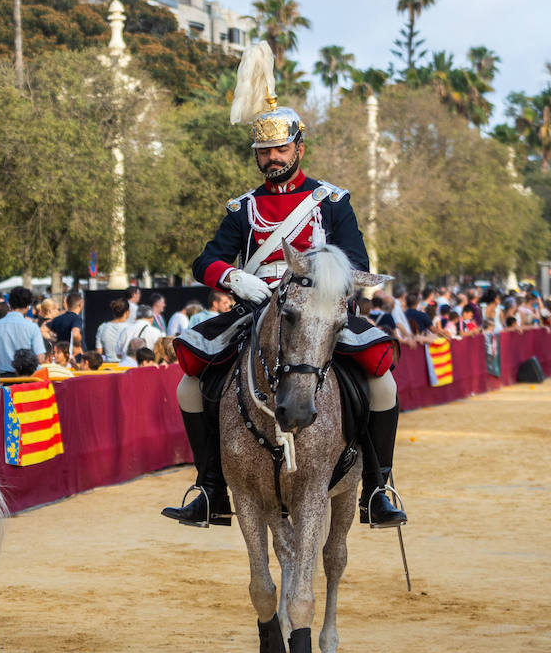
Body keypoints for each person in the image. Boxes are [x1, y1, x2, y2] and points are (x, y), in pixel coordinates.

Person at [167, 43, 406, 531]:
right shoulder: (242, 209)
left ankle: (377, 486)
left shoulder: (332, 201)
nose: (272, 158)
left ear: (299, 147)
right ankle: (211, 486)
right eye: (264, 151)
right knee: (189, 384)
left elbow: (356, 261)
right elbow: (206, 260)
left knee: (382, 378)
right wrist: (235, 278)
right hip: (254, 310)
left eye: (280, 149)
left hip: (317, 309)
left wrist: (317, 279)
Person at [0, 286, 45, 376]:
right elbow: (40, 358)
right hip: (27, 379)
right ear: (28, 306)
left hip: (2, 380)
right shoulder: (32, 327)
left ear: (9, 304)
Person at [47, 292, 86, 358]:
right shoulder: (77, 318)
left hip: (62, 356)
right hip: (75, 358)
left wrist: (53, 339)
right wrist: (77, 347)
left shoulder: (58, 318)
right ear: (81, 304)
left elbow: (42, 330)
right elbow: (75, 333)